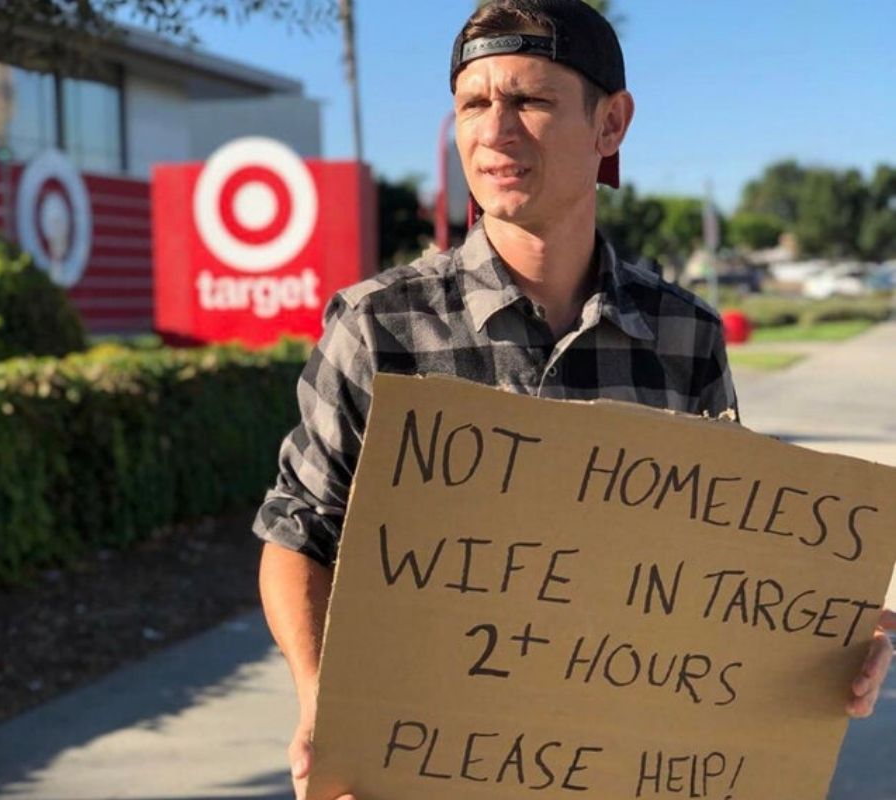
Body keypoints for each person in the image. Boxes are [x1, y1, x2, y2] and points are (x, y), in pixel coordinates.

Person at [253, 2, 895, 798]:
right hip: (419, 771)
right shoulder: (378, 327)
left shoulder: (683, 335)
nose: (494, 132)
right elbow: (297, 535)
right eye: (474, 104)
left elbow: (721, 573)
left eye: (530, 100)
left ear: (612, 124)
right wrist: (324, 704)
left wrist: (825, 640)